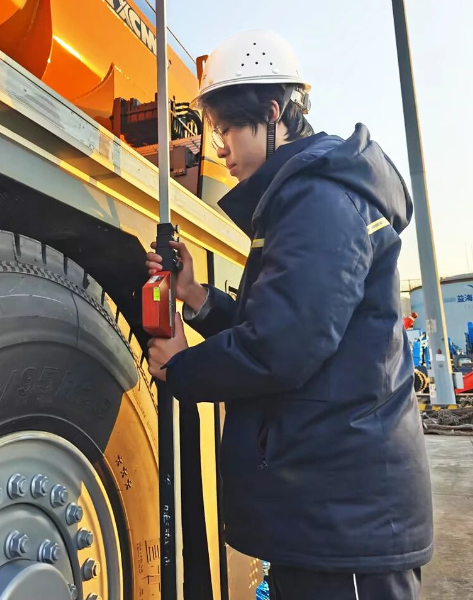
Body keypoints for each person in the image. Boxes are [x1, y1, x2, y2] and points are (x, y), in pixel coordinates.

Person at [145, 30, 432, 600]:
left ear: (272, 115)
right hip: (333, 509)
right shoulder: (313, 194)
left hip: (346, 522)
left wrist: (182, 368)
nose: (219, 148)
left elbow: (284, 346)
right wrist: (197, 297)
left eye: (226, 130)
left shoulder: (319, 199)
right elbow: (288, 325)